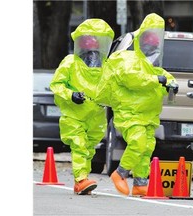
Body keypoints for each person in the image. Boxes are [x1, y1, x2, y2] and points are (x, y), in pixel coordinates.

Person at [95, 13, 179, 196]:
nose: (152, 45)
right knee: (138, 144)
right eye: (148, 40)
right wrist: (156, 79)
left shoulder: (155, 67)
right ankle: (120, 173)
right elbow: (133, 79)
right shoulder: (128, 60)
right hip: (130, 114)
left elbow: (162, 83)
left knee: (147, 148)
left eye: (155, 41)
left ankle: (141, 183)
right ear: (140, 40)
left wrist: (171, 85)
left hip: (149, 116)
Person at [49, 19, 114, 195]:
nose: (92, 53)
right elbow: (56, 84)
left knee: (88, 149)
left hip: (96, 116)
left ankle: (81, 180)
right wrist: (72, 95)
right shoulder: (70, 62)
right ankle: (81, 179)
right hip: (74, 115)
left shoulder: (105, 65)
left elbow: (110, 88)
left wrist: (108, 100)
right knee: (79, 144)